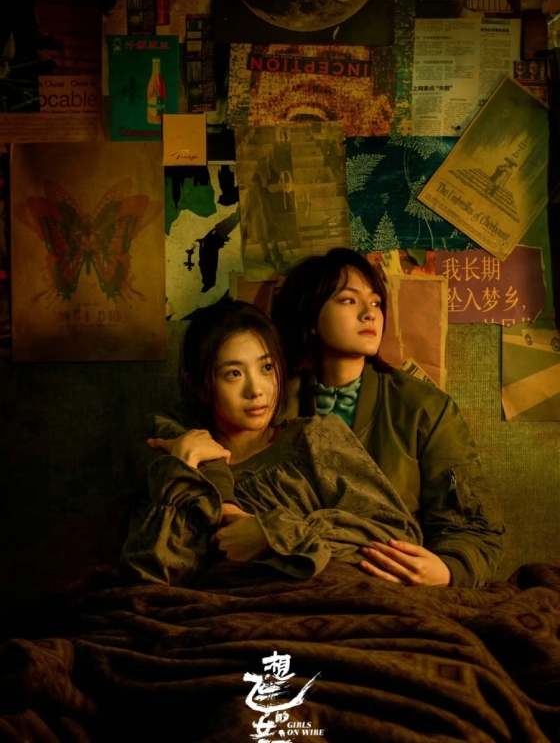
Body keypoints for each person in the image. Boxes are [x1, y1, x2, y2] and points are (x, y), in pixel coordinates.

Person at [122, 299, 422, 587]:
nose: (256, 390)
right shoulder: (178, 464)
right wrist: (183, 467)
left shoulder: (316, 437)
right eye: (234, 374)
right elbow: (155, 580)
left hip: (338, 595)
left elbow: (396, 532)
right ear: (198, 386)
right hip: (233, 610)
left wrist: (274, 534)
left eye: (266, 368)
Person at [270, 248, 505, 589]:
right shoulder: (270, 403)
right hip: (297, 580)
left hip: (392, 586)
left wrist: (448, 569)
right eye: (349, 300)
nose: (370, 313)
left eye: (376, 302)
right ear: (309, 317)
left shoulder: (423, 407)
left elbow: (474, 528)